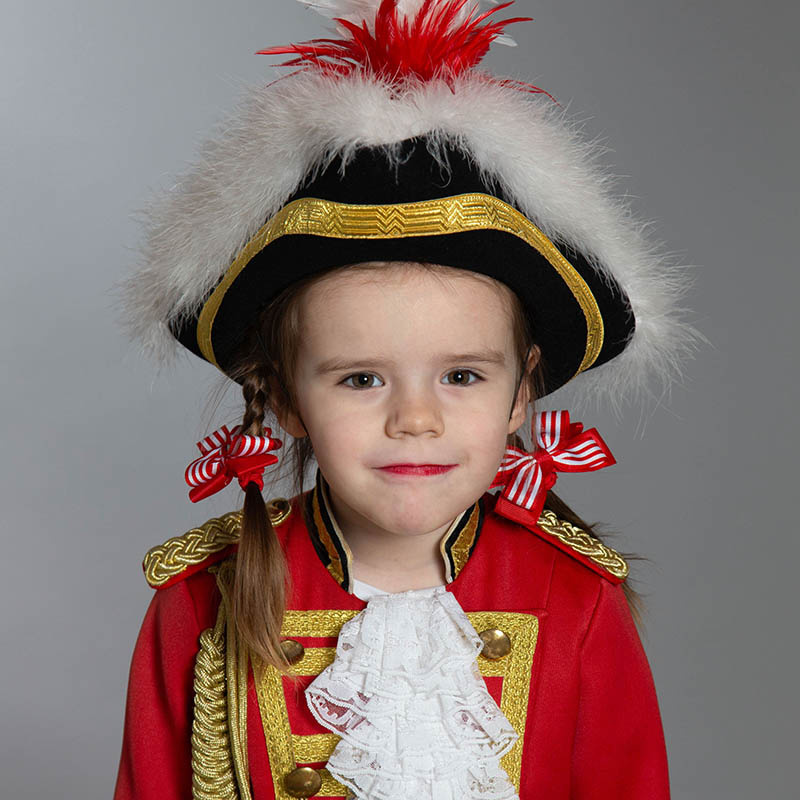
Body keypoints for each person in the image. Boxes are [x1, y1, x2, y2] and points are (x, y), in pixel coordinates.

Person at [114, 1, 697, 798]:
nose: (415, 420)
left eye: (462, 376)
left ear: (522, 391)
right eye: (361, 379)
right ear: (284, 400)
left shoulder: (577, 598)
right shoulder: (196, 601)